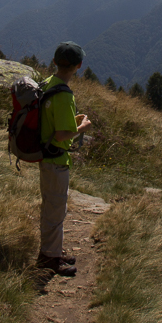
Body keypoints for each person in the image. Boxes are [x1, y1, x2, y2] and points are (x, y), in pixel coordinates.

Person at [37, 41, 91, 277]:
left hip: (45, 156)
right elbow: (61, 134)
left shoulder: (49, 84)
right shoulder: (64, 96)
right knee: (56, 210)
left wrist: (72, 121)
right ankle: (49, 259)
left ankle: (53, 251)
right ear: (79, 65)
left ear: (55, 62)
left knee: (52, 206)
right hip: (56, 160)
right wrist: (83, 127)